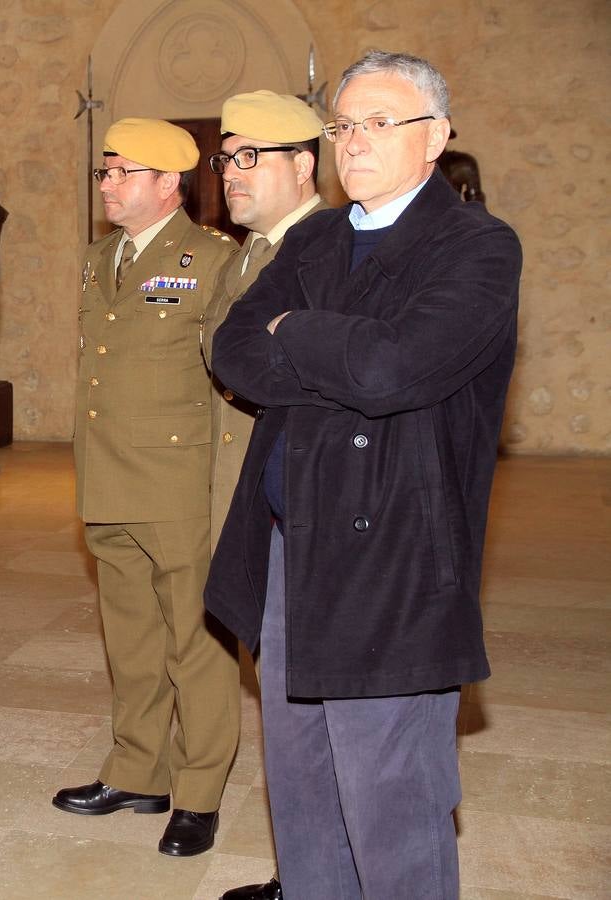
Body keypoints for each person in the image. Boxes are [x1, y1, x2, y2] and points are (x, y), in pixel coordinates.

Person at [206, 51, 521, 898]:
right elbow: (232, 349)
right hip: (283, 545)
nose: (354, 141)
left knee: (390, 798)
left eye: (379, 122)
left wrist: (296, 332)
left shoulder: (476, 247)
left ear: (436, 137)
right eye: (343, 124)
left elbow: (393, 371)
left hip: (391, 557)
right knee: (303, 785)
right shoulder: (314, 234)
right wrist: (318, 348)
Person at [54, 117, 238, 858]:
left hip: (173, 481)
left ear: (169, 184)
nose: (106, 185)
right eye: (104, 172)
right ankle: (137, 769)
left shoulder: (211, 258)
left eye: (123, 172)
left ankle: (197, 792)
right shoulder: (101, 256)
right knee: (129, 639)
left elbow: (226, 381)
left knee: (195, 643)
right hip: (106, 474)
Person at [202, 90, 329, 900]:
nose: (231, 173)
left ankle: (314, 878)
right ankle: (307, 873)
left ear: (302, 164)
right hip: (243, 485)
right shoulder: (249, 252)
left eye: (251, 157)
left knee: (306, 706)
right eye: (226, 157)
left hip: (302, 496)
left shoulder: (322, 248)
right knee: (283, 701)